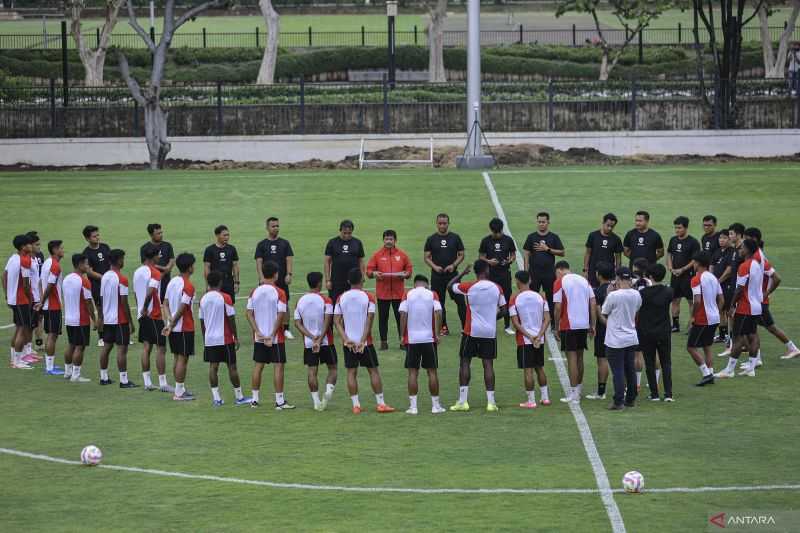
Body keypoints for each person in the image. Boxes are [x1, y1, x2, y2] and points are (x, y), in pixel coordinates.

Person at [333, 268, 396, 414]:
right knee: (373, 371)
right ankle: (381, 404)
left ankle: (356, 405)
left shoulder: (341, 297)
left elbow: (336, 321)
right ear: (362, 280)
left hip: (348, 343)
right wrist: (362, 341)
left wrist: (346, 339)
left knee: (351, 372)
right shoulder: (369, 297)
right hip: (365, 343)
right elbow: (369, 321)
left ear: (348, 281)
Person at [448, 260, 507, 412]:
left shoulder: (468, 286)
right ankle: (491, 403)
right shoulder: (497, 288)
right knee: (488, 364)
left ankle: (462, 401)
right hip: (489, 332)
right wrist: (492, 319)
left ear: (475, 271)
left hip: (471, 331)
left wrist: (461, 273)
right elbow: (504, 310)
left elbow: (450, 286)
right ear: (486, 270)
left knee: (465, 362)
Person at [742, 227, 800, 363]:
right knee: (755, 329)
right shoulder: (757, 255)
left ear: (753, 239)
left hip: (758, 300)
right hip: (756, 299)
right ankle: (757, 359)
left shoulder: (757, 258)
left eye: (746, 238)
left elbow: (777, 278)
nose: (744, 241)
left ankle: (792, 348)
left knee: (765, 328)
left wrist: (766, 293)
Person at [246, 260, 294, 410]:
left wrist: (259, 333)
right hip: (276, 337)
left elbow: (248, 314)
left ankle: (254, 400)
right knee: (278, 367)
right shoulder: (280, 292)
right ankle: (279, 401)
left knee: (258, 366)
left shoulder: (254, 291)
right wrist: (271, 335)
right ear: (276, 274)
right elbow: (281, 315)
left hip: (259, 337)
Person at [199, 271, 251, 406]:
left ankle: (216, 398)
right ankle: (239, 397)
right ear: (220, 282)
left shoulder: (203, 299)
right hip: (225, 338)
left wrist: (206, 338)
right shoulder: (225, 297)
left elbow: (202, 322)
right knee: (232, 367)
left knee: (213, 367)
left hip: (210, 339)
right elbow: (231, 318)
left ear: (208, 283)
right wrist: (236, 337)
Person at [715, 239, 763, 379]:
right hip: (756, 306)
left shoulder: (744, 266)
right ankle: (751, 368)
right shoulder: (757, 264)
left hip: (745, 307)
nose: (739, 250)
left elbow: (739, 289)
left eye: (742, 248)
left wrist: (731, 306)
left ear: (747, 249)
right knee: (752, 335)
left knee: (738, 338)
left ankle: (729, 370)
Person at [398, 274, 445, 415]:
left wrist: (401, 335)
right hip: (428, 339)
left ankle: (413, 407)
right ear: (426, 284)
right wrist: (437, 333)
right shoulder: (432, 294)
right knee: (432, 371)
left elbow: (403, 315)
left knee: (413, 372)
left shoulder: (408, 294)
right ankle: (435, 406)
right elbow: (438, 312)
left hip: (412, 340)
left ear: (415, 284)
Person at [553, 260, 596, 404]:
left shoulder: (560, 282)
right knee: (579, 357)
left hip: (568, 324)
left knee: (571, 358)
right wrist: (592, 325)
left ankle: (574, 394)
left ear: (559, 270)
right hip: (583, 324)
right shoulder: (584, 281)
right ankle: (578, 389)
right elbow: (593, 303)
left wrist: (556, 326)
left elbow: (558, 307)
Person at [294, 271, 338, 411]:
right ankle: (329, 391)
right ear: (319, 283)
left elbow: (297, 323)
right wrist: (320, 338)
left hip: (309, 343)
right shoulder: (326, 300)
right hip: (326, 341)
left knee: (312, 371)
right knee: (333, 369)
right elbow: (328, 319)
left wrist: (311, 337)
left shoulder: (300, 300)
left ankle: (316, 401)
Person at [601, 266, 642, 411]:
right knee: (629, 369)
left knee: (618, 371)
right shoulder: (636, 294)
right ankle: (631, 399)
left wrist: (608, 293)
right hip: (631, 337)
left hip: (615, 340)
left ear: (618, 279)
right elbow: (636, 310)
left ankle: (618, 401)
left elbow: (604, 312)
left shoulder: (614, 295)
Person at [509, 271, 551, 409]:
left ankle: (531, 400)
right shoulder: (540, 297)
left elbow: (515, 323)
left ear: (517, 282)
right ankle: (545, 398)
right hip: (539, 340)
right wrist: (539, 335)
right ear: (530, 280)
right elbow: (547, 319)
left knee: (528, 370)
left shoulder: (514, 299)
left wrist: (529, 336)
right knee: (539, 367)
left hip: (524, 340)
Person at [133, 245, 171, 392]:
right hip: (153, 314)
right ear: (154, 257)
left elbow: (136, 293)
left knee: (146, 347)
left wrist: (140, 309)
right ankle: (162, 383)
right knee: (161, 348)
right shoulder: (155, 272)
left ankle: (147, 382)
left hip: (142, 315)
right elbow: (151, 292)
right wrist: (145, 307)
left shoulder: (137, 272)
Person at [366, 229, 412, 350]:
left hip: (398, 294)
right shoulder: (377, 255)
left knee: (400, 318)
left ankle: (403, 341)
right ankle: (383, 342)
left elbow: (409, 270)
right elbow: (369, 271)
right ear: (383, 240)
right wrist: (374, 273)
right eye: (386, 239)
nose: (388, 241)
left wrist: (405, 274)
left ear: (395, 240)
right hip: (383, 293)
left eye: (391, 239)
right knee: (383, 318)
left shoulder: (402, 255)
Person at [97, 249, 137, 388]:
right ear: (119, 260)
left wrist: (101, 318)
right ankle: (124, 380)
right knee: (122, 350)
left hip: (108, 319)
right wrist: (131, 322)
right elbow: (124, 302)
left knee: (106, 348)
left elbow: (101, 299)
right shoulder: (122, 279)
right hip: (120, 320)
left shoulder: (105, 277)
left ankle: (103, 377)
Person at [162, 253, 198, 401]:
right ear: (190, 268)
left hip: (175, 328)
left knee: (177, 357)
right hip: (184, 327)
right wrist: (173, 322)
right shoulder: (188, 286)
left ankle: (180, 388)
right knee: (183, 359)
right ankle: (178, 393)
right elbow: (183, 308)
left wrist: (169, 320)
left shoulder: (172, 281)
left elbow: (165, 303)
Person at [423, 213, 466, 336]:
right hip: (437, 276)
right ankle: (443, 328)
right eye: (440, 223)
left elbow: (461, 254)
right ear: (436, 223)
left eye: (444, 223)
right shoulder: (431, 239)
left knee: (460, 302)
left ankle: (464, 327)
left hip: (453, 276)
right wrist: (435, 267)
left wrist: (453, 265)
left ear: (448, 223)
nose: (442, 225)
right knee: (439, 303)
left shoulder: (455, 238)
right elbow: (426, 257)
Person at [687, 252, 724, 387]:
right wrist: (716, 312)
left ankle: (706, 374)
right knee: (707, 347)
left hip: (703, 318)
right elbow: (721, 299)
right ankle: (711, 374)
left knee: (691, 347)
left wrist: (692, 316)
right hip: (714, 318)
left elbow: (696, 301)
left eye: (694, 262)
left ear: (698, 263)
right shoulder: (713, 278)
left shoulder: (696, 279)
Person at [254, 217, 295, 339]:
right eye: (273, 226)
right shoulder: (262, 245)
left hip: (281, 279)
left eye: (277, 226)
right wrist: (261, 278)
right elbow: (259, 262)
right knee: (265, 304)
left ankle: (286, 329)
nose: (276, 228)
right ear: (267, 228)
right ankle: (266, 326)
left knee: (285, 303)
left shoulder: (284, 243)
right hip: (267, 281)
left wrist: (289, 274)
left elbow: (289, 259)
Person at [523, 212, 564, 326]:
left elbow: (562, 252)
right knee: (532, 298)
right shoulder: (531, 237)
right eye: (539, 222)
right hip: (534, 273)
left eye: (543, 222)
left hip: (549, 274)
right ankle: (533, 321)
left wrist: (548, 249)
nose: (541, 224)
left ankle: (552, 324)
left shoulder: (553, 237)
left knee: (551, 299)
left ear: (548, 222)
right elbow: (526, 254)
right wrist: (526, 272)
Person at [638, 263, 673, 400]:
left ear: (650, 276)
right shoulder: (669, 291)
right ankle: (668, 394)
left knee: (650, 363)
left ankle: (654, 394)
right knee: (666, 362)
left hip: (647, 331)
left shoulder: (643, 293)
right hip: (663, 330)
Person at [61, 254, 98, 383]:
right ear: (80, 264)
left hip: (69, 318)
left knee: (71, 344)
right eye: (86, 264)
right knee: (80, 347)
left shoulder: (66, 279)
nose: (88, 266)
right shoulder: (84, 281)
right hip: (81, 319)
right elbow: (88, 302)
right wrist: (94, 319)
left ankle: (67, 371)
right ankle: (76, 375)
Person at [479, 218, 516, 334]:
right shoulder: (485, 241)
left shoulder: (508, 240)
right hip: (490, 275)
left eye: (498, 232)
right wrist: (489, 261)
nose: (497, 235)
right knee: (489, 299)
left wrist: (509, 261)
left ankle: (507, 326)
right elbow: (481, 257)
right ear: (491, 230)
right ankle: (488, 323)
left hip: (505, 274)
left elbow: (513, 255)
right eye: (494, 232)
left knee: (507, 298)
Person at [4, 234, 35, 369]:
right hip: (21, 299)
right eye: (29, 244)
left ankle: (14, 358)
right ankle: (17, 361)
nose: (31, 246)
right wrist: (31, 299)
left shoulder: (13, 258)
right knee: (23, 329)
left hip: (13, 299)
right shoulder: (24, 261)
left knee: (18, 328)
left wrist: (7, 295)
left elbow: (3, 276)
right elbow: (26, 285)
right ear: (23, 247)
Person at [666, 216, 701, 333]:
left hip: (688, 276)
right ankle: (675, 325)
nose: (677, 230)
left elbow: (694, 260)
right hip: (675, 276)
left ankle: (692, 324)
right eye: (676, 228)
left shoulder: (693, 242)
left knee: (691, 301)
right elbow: (669, 254)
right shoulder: (673, 240)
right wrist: (671, 268)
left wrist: (683, 269)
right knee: (675, 300)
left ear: (686, 228)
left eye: (679, 228)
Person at [36, 239, 65, 375]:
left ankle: (50, 366)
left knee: (51, 335)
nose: (63, 250)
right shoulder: (55, 266)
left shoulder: (47, 262)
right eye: (61, 248)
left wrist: (42, 301)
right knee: (52, 336)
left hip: (48, 305)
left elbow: (41, 282)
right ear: (54, 250)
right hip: (53, 305)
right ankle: (49, 367)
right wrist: (42, 301)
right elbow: (50, 285)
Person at [586, 261, 614, 401]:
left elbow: (596, 312)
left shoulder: (597, 292)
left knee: (602, 360)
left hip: (604, 330)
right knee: (622, 360)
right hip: (620, 328)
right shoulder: (618, 289)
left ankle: (601, 392)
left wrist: (593, 327)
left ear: (598, 275)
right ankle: (627, 388)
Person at [718, 223, 746, 357]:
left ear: (739, 234)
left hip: (740, 290)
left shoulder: (743, 250)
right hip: (734, 287)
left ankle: (735, 345)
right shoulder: (735, 249)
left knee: (735, 316)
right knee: (732, 316)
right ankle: (734, 345)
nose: (729, 237)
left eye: (731, 234)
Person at [82, 225, 112, 347]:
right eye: (94, 236)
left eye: (98, 235)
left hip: (109, 283)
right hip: (97, 285)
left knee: (112, 308)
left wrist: (110, 275)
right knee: (101, 311)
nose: (97, 238)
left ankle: (112, 334)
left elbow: (111, 263)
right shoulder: (86, 253)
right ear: (87, 238)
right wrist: (105, 278)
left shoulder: (105, 247)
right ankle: (101, 337)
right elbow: (89, 271)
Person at [325, 220, 365, 305]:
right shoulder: (332, 242)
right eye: (344, 233)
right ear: (340, 230)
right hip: (336, 280)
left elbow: (361, 261)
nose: (347, 235)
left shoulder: (357, 242)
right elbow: (327, 262)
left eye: (349, 233)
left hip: (354, 280)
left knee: (353, 303)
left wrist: (362, 276)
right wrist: (328, 280)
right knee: (335, 304)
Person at [583, 213, 623, 288]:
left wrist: (618, 274)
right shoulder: (593, 236)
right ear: (603, 223)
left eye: (612, 226)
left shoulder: (616, 239)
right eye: (608, 225)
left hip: (609, 273)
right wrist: (585, 270)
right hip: (593, 271)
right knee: (593, 291)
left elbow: (618, 259)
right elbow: (588, 253)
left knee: (608, 292)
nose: (610, 228)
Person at [204, 225, 240, 303]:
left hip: (228, 282)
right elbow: (207, 268)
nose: (227, 237)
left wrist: (236, 282)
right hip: (215, 284)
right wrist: (208, 284)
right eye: (224, 235)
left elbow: (235, 266)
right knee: (215, 304)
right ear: (217, 235)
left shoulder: (232, 249)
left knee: (229, 304)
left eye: (228, 235)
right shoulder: (209, 250)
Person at [710, 231, 735, 343]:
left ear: (729, 239)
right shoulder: (717, 252)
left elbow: (729, 270)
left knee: (729, 311)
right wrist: (712, 279)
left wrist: (718, 281)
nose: (722, 240)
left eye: (724, 238)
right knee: (720, 309)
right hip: (717, 285)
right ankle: (722, 335)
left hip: (727, 285)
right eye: (720, 238)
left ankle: (731, 336)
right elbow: (712, 265)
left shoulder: (732, 252)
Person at [140, 223, 175, 301]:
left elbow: (172, 261)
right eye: (158, 233)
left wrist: (165, 270)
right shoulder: (144, 248)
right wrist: (164, 268)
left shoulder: (168, 245)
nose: (161, 235)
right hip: (151, 282)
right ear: (151, 235)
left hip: (166, 282)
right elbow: (146, 264)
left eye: (161, 232)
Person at [26, 231, 44, 358]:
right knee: (29, 322)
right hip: (30, 295)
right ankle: (26, 349)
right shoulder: (25, 259)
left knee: (38, 319)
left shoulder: (39, 256)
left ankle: (37, 343)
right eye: (37, 245)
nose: (39, 247)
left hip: (38, 294)